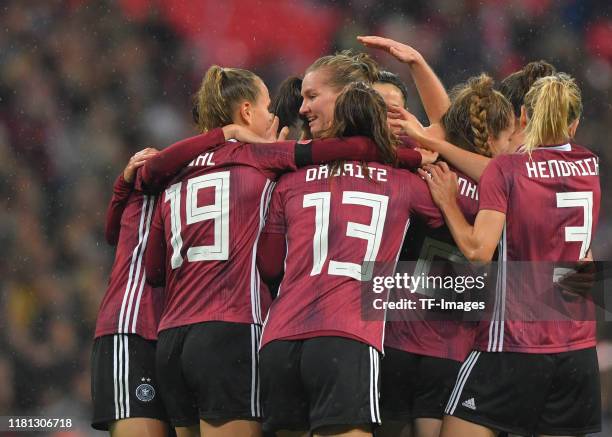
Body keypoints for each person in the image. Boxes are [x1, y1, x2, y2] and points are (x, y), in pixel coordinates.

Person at [142, 65, 428, 437]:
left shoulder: (175, 172)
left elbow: (153, 271)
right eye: (266, 107)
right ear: (246, 113)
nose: (277, 116)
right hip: (235, 329)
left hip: (176, 340)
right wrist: (416, 155)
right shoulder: (266, 160)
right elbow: (346, 150)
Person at [257, 82, 447, 437]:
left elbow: (268, 265)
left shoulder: (290, 180)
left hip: (280, 340)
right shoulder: (403, 183)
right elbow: (449, 220)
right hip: (347, 338)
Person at [421, 73, 601, 437]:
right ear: (576, 122)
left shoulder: (508, 169)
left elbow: (477, 251)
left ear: (522, 117)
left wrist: (448, 204)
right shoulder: (590, 165)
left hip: (513, 344)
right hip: (578, 350)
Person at [379, 74, 515, 437]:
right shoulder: (499, 194)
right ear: (491, 137)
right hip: (453, 352)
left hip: (393, 339)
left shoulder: (424, 172)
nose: (516, 146)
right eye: (511, 136)